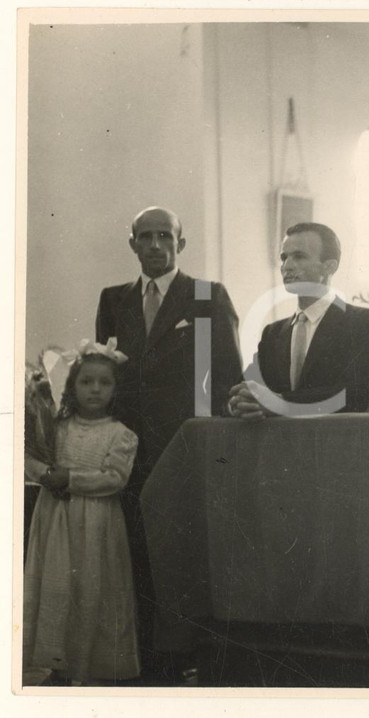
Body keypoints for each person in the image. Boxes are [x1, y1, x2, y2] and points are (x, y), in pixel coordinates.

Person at [96, 206, 243, 684]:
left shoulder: (206, 295)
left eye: (165, 236)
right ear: (133, 244)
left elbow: (227, 377)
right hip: (127, 451)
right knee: (133, 550)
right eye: (146, 236)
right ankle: (139, 658)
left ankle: (185, 658)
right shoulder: (113, 299)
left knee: (181, 552)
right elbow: (103, 376)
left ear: (181, 243)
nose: (155, 245)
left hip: (184, 449)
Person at [23, 340, 140, 685]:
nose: (95, 389)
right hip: (57, 521)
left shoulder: (121, 435)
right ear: (72, 386)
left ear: (116, 389)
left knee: (90, 589)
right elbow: (29, 457)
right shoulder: (55, 429)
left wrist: (70, 479)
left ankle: (90, 667)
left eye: (105, 383)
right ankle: (57, 664)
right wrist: (45, 475)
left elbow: (114, 478)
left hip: (96, 526)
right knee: (58, 587)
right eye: (86, 381)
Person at [229, 222, 369, 418]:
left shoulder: (365, 322)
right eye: (284, 257)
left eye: (299, 256)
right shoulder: (273, 333)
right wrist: (237, 404)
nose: (286, 266)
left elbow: (355, 397)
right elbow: (240, 389)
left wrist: (278, 403)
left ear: (329, 267)